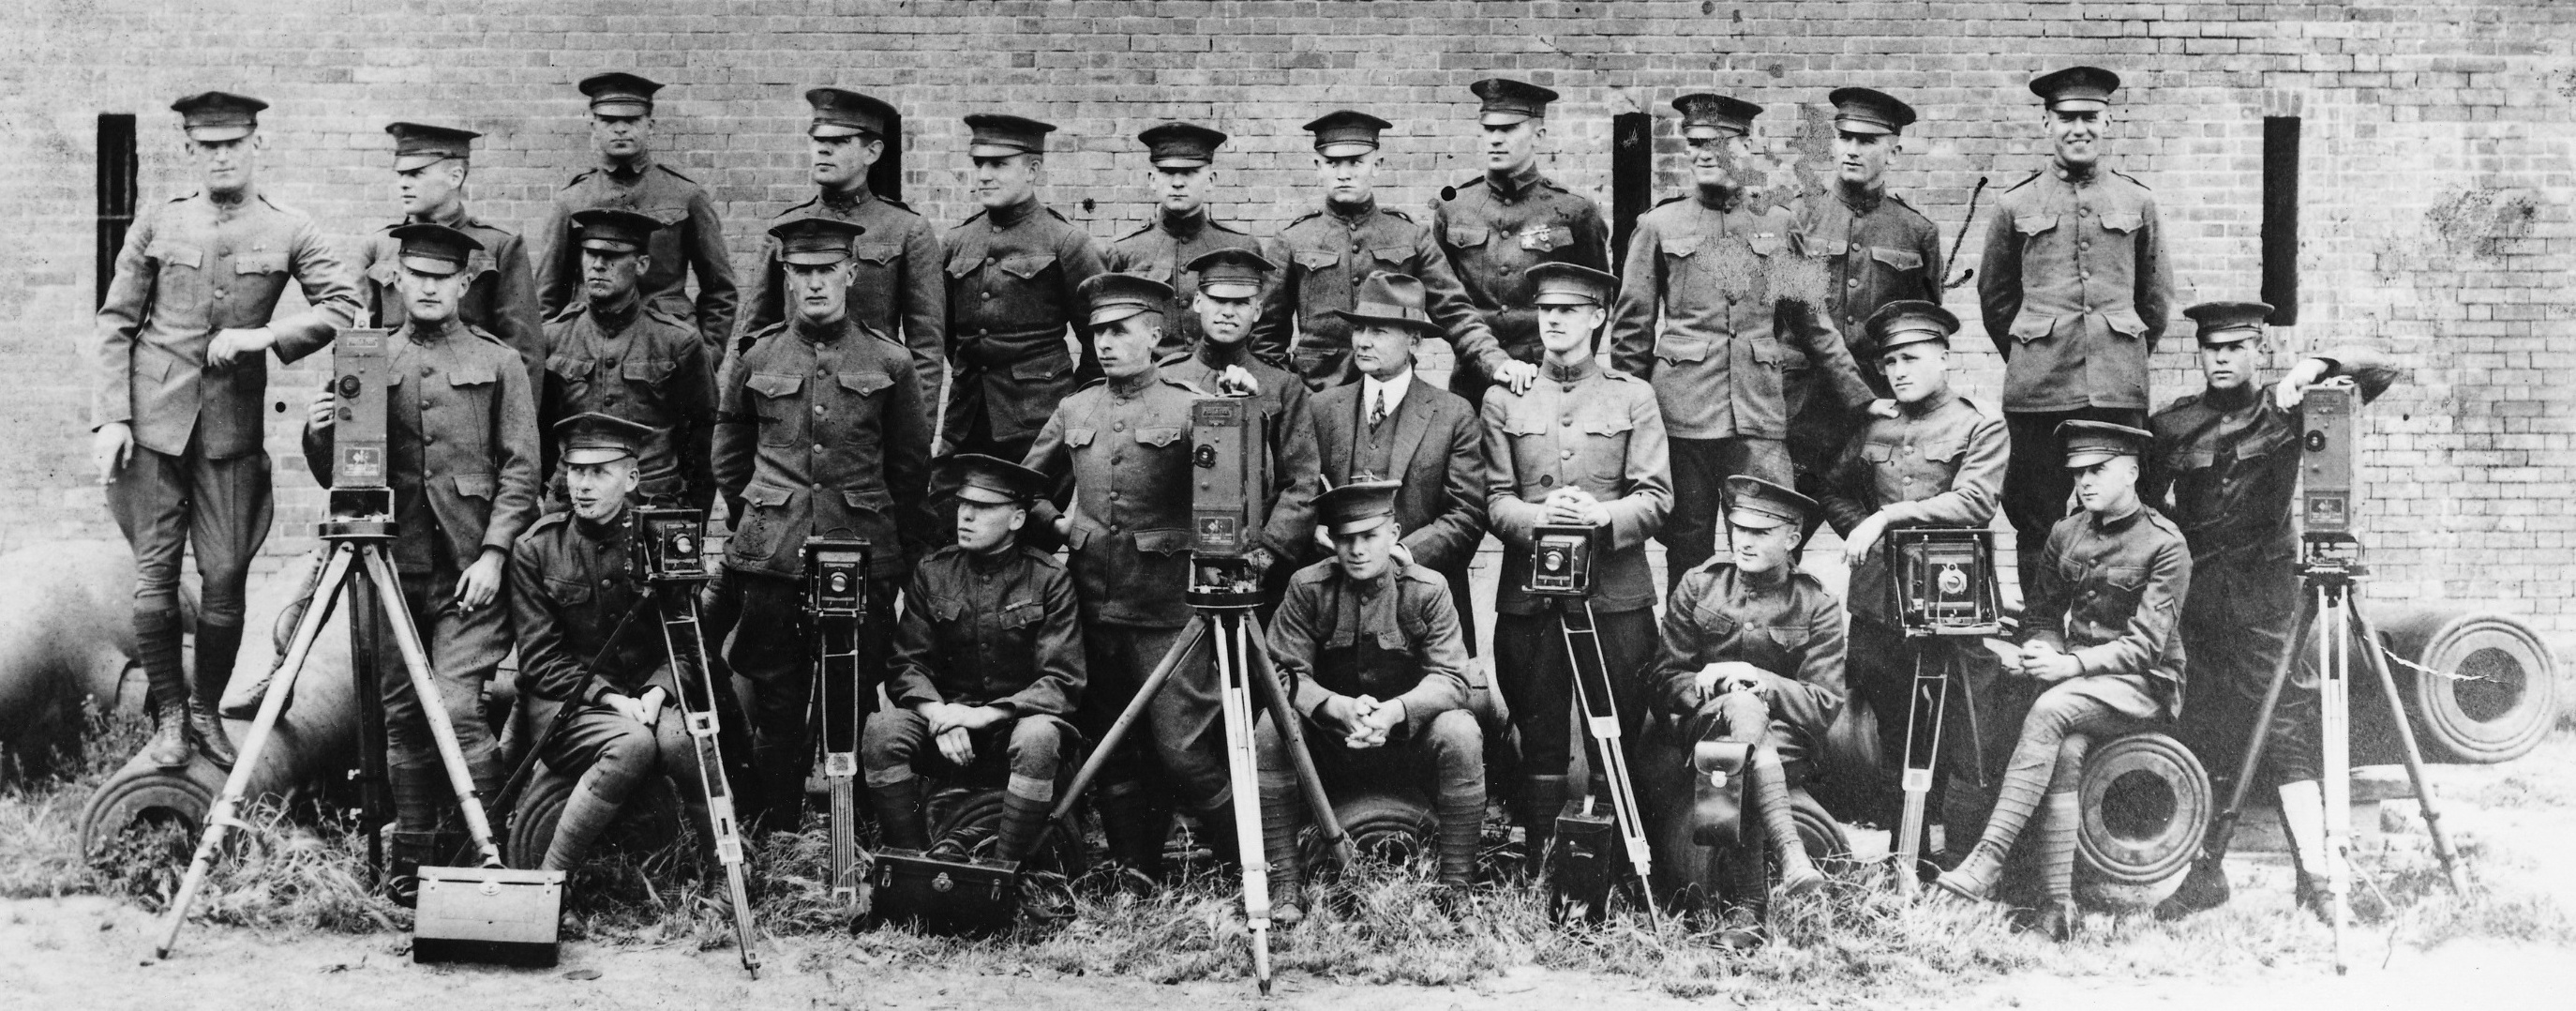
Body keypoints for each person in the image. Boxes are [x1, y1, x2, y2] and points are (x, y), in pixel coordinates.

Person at [96, 91, 358, 766]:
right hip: (153, 427)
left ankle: (206, 709)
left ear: (255, 145)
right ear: (189, 149)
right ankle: (170, 718)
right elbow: (117, 322)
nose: (220, 157)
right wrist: (112, 417)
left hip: (231, 431)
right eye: (207, 146)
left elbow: (343, 305)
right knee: (154, 579)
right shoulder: (159, 221)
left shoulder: (289, 228)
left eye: (232, 144)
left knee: (226, 577)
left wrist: (266, 335)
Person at [302, 222, 540, 901]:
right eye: (418, 276)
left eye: (443, 278)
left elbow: (523, 471)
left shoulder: (500, 362)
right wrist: (318, 434)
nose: (429, 288)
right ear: (397, 280)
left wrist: (495, 554)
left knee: (458, 709)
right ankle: (411, 862)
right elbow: (343, 478)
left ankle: (485, 857)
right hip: (392, 570)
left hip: (471, 574)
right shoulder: (368, 358)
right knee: (404, 714)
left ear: (464, 284)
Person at [2146, 301, 2404, 920]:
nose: (2222, 358)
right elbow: (2148, 507)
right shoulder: (2174, 425)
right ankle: (2204, 875)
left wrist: (2317, 364)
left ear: (2258, 351)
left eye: (2235, 347)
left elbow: (2381, 367)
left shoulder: (2290, 410)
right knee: (2203, 729)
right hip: (2199, 601)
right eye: (2212, 348)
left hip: (2267, 601)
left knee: (2285, 731)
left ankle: (2316, 881)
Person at [707, 215, 935, 834]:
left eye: (826, 271)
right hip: (774, 557)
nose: (813, 283)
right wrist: (761, 517)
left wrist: (893, 551)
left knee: (853, 693)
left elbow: (910, 466)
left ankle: (847, 831)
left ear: (851, 274)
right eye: (801, 271)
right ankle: (777, 829)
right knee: (776, 698)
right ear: (786, 275)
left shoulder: (889, 359)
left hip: (861, 555)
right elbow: (729, 451)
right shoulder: (758, 354)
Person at [1610, 93, 1878, 590]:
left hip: (1758, 414)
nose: (1704, 153)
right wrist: (1629, 417)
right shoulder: (1659, 225)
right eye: (1695, 143)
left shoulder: (1776, 223)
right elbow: (1631, 332)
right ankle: (1685, 635)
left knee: (1772, 535)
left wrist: (1862, 399)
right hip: (1681, 415)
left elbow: (1813, 323)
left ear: (1745, 147)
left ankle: (1772, 633)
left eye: (1719, 143)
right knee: (1687, 542)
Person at [1934, 421, 2189, 942]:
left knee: (2052, 710)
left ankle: (1988, 859)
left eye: (2098, 470)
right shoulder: (2065, 532)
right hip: (2077, 684)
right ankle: (2058, 907)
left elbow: (2146, 646)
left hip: (2143, 683)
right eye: (2077, 472)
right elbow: (2042, 614)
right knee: (2066, 748)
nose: (2084, 482)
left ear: (2132, 472)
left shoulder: (2166, 544)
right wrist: (2043, 648)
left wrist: (2069, 666)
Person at [1019, 273, 1226, 883]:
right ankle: (1136, 871)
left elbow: (1231, 496)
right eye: (1097, 333)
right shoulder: (1076, 407)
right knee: (1110, 748)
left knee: (1183, 751)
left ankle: (1247, 858)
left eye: (1119, 331)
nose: (1104, 343)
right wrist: (1060, 526)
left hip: (1168, 616)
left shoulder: (1191, 406)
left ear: (1154, 336)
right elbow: (1026, 488)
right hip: (1090, 611)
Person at [1483, 262, 1670, 867]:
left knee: (1613, 735)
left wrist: (1602, 514)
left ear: (1597, 317)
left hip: (1615, 599)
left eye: (1568, 310)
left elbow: (1656, 496)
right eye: (1545, 310)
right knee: (1538, 738)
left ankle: (1610, 870)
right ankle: (1542, 868)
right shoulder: (1504, 397)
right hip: (1530, 598)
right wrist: (1540, 516)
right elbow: (1494, 500)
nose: (1554, 321)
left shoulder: (1632, 395)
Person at [1816, 301, 2007, 858]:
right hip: (1878, 603)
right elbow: (1833, 490)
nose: (1898, 371)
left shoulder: (1978, 424)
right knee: (1891, 731)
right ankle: (1907, 854)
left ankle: (1956, 854)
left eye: (1912, 358)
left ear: (1944, 357)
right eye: (1890, 361)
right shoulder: (1873, 423)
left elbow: (1974, 502)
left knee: (1954, 730)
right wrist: (1871, 537)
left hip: (1948, 602)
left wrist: (1889, 517)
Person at [1977, 66, 2175, 587]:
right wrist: (2034, 351)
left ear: (2108, 122)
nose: (2078, 128)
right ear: (2047, 123)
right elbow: (1996, 300)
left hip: (2116, 388)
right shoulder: (2014, 205)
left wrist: (2118, 350)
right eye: (2067, 118)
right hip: (2038, 393)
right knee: (2035, 516)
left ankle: (2110, 623)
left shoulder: (2137, 202)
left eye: (2090, 117)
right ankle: (2040, 623)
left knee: (2126, 514)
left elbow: (2155, 300)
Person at [1253, 480, 1483, 924]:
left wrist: (1396, 712)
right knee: (1271, 726)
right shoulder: (1308, 588)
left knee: (1460, 731)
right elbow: (1280, 674)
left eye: (1369, 536)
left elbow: (1452, 677)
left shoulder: (1427, 589)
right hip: (1332, 746)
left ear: (1394, 534)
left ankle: (1456, 889)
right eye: (1345, 539)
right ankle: (1285, 886)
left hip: (1407, 746)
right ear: (1331, 541)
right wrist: (1336, 707)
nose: (1357, 550)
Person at [506, 413, 709, 872]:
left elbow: (690, 643)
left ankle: (722, 876)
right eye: (576, 470)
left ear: (632, 478)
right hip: (568, 706)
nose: (583, 485)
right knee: (632, 745)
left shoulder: (664, 542)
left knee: (686, 740)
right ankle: (550, 881)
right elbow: (540, 661)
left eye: (600, 472)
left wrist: (658, 691)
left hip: (650, 696)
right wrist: (612, 699)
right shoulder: (537, 549)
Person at [1653, 475, 1849, 949]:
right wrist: (1713, 684)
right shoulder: (1700, 585)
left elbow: (1824, 702)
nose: (1744, 540)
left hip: (1785, 740)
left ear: (1792, 538)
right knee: (1738, 712)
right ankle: (1791, 851)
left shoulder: (1817, 603)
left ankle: (1749, 908)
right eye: (1738, 528)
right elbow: (1663, 678)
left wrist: (1759, 680)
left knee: (1734, 753)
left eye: (1761, 532)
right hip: (1706, 725)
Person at [866, 454, 1085, 864]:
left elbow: (1061, 680)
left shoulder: (1049, 579)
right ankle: (911, 861)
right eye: (964, 504)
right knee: (883, 730)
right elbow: (906, 664)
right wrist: (940, 715)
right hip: (947, 730)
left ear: (1017, 519)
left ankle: (1005, 870)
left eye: (983, 508)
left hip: (1013, 727)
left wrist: (984, 715)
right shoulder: (934, 571)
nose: (965, 516)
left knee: (1038, 737)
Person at [1249, 110, 1524, 396]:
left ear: (1377, 165)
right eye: (1332, 163)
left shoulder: (1410, 236)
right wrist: (1291, 397)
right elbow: (1265, 337)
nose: (1343, 174)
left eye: (1356, 162)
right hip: (1315, 397)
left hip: (1393, 395)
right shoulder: (1292, 240)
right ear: (1318, 167)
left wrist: (1495, 361)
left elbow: (1455, 311)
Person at [1288, 273, 1488, 652]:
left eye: (1378, 331)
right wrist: (1316, 533)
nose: (1362, 341)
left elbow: (1468, 513)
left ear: (1414, 340)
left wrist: (1402, 555)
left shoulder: (1453, 414)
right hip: (1333, 613)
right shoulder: (1321, 408)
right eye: (1359, 329)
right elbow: (1298, 495)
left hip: (1422, 612)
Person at [1790, 87, 1946, 551]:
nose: (1852, 150)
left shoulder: (1916, 231)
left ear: (1893, 151)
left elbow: (1923, 333)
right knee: (1783, 537)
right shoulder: (1796, 217)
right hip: (1801, 409)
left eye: (1867, 140)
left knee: (1881, 540)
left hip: (1877, 414)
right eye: (1845, 138)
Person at [734, 88, 946, 398]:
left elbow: (926, 349)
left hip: (872, 402)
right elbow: (755, 333)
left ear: (872, 152)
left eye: (839, 141)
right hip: (792, 399)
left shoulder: (906, 229)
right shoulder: (783, 228)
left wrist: (914, 424)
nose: (823, 150)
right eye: (818, 140)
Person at [535, 72, 737, 376]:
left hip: (668, 352)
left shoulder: (686, 195)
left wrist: (706, 359)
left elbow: (720, 289)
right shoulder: (572, 200)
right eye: (608, 120)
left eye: (631, 120)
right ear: (593, 127)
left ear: (650, 125)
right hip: (587, 352)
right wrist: (552, 359)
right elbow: (547, 296)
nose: (620, 128)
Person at [1432, 78, 1608, 414]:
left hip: (1549, 384)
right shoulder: (1454, 207)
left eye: (1509, 129)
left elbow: (1597, 300)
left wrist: (1570, 373)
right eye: (1489, 129)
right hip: (1472, 384)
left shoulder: (1574, 211)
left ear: (1538, 135)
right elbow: (1442, 300)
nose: (1495, 139)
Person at [943, 113, 1107, 460]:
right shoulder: (957, 241)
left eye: (999, 164)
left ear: (1032, 170)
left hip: (1039, 424)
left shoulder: (1065, 241)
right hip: (966, 421)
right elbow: (945, 334)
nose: (984, 175)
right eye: (979, 164)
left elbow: (1099, 336)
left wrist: (1076, 407)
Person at [1160, 248, 1317, 593]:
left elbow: (1301, 483)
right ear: (1197, 302)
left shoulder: (1283, 385)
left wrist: (1264, 555)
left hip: (1256, 564)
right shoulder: (1166, 379)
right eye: (1217, 300)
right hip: (1174, 565)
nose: (1228, 312)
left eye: (1241, 303)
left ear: (1258, 310)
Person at [538, 208, 714, 511]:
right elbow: (539, 432)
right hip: (572, 508)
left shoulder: (677, 341)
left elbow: (703, 441)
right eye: (590, 253)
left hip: (652, 506)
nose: (598, 265)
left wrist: (691, 516)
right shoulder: (554, 337)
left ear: (641, 264)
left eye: (612, 256)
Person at [355, 122, 546, 389]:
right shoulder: (379, 246)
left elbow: (524, 353)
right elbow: (356, 346)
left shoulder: (499, 246)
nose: (403, 184)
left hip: (473, 400)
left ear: (455, 177)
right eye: (400, 174)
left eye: (416, 173)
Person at [1103, 122, 1268, 364]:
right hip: (1152, 379)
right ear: (1152, 179)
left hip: (1223, 378)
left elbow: (1260, 331)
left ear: (1211, 180)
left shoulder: (1241, 246)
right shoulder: (1125, 250)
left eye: (1190, 172)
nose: (1178, 182)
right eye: (1167, 172)